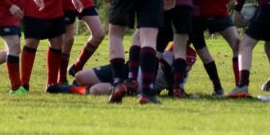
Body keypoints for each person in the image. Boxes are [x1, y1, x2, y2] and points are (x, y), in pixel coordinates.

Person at [52, 44, 197, 96]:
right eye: (184, 64)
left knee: (96, 90)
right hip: (124, 70)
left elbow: (175, 91)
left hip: (130, 87)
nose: (186, 69)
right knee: (80, 76)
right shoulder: (163, 58)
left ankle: (68, 89)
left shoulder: (180, 77)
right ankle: (76, 85)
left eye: (189, 66)